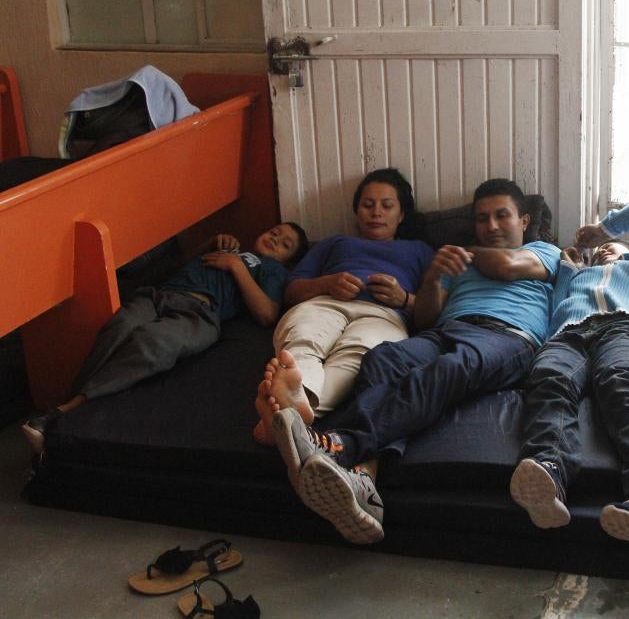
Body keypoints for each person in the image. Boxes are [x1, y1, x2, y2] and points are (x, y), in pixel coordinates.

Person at [266, 178, 560, 544]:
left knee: (447, 371)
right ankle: (365, 483)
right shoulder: (455, 264)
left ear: (525, 221)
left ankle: (337, 444)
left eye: (502, 216)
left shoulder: (544, 251)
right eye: (482, 218)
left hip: (507, 336)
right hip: (446, 330)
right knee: (382, 360)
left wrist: (460, 252)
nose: (492, 226)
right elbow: (424, 319)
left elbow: (506, 266)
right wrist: (435, 276)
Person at [21, 222, 309, 454]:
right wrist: (209, 246)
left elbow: (267, 314)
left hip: (199, 314)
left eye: (285, 244)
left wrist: (235, 266)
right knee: (121, 326)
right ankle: (61, 415)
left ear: (289, 261)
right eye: (274, 232)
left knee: (152, 343)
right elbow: (179, 265)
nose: (275, 239)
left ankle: (65, 411)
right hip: (160, 296)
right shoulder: (230, 246)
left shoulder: (270, 269)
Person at [509, 198, 629, 552]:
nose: (601, 252)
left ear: (628, 248)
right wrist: (569, 270)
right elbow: (555, 313)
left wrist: (602, 232)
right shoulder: (580, 275)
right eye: (597, 250)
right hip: (569, 334)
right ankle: (549, 472)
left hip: (625, 330)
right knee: (549, 378)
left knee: (619, 381)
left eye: (610, 248)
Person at [253, 168, 434, 446]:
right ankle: (293, 407)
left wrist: (405, 299)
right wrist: (326, 283)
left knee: (360, 355)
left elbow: (438, 308)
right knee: (304, 338)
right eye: (368, 205)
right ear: (356, 211)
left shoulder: (420, 250)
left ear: (401, 215)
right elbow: (290, 291)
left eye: (387, 206)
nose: (376, 213)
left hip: (384, 315)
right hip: (325, 304)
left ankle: (291, 410)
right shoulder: (335, 243)